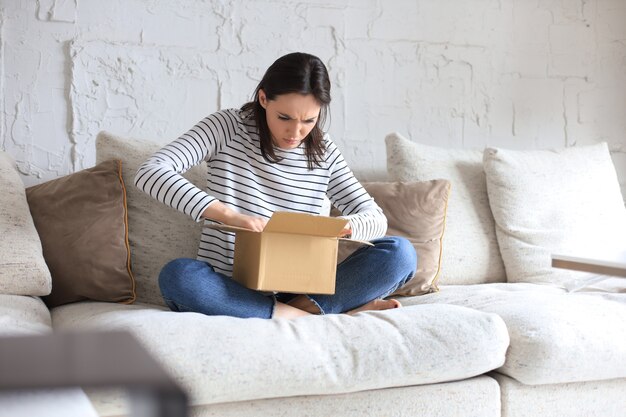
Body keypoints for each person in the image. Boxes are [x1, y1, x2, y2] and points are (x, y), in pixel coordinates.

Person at [135, 52, 417, 319]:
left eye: (309, 120)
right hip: (232, 285)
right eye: (285, 118)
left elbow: (375, 218)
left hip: (304, 285)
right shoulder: (227, 127)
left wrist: (342, 227)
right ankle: (312, 315)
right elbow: (151, 172)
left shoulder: (324, 150)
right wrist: (229, 216)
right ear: (263, 98)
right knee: (179, 275)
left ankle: (289, 311)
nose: (295, 133)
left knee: (400, 254)